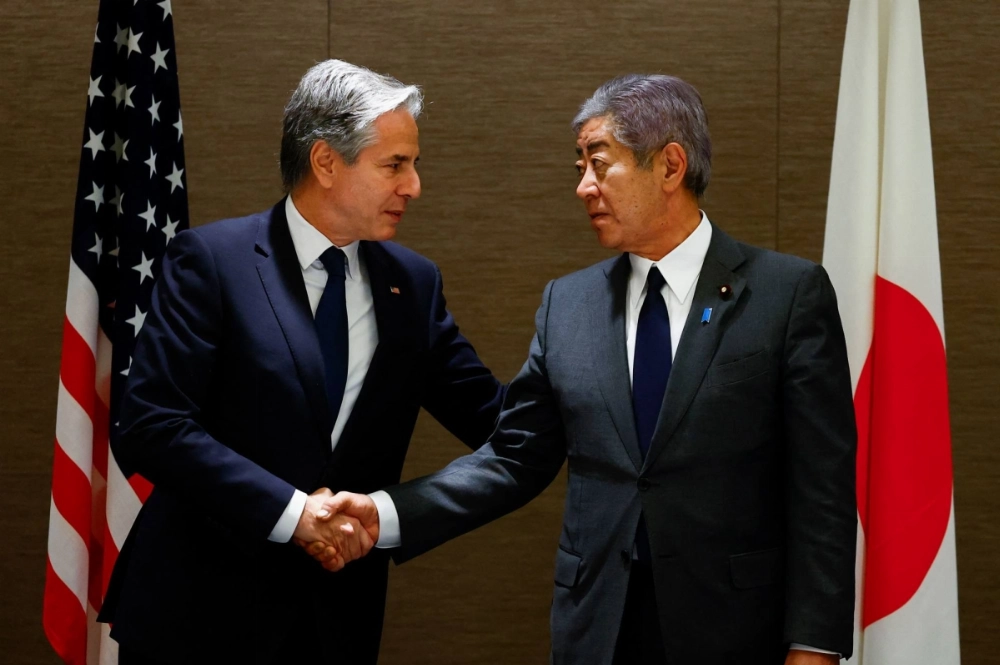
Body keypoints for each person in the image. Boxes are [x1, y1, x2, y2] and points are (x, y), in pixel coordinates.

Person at [313, 74, 857, 665]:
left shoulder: (787, 295)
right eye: (579, 166)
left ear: (670, 166)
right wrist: (385, 512)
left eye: (600, 164)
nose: (584, 187)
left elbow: (822, 490)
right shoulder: (566, 306)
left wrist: (814, 645)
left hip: (737, 630)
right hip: (598, 629)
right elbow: (514, 456)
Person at [96, 59, 505, 665]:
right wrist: (294, 514)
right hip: (198, 616)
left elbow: (496, 418)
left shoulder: (412, 287)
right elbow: (152, 426)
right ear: (325, 162)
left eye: (412, 164)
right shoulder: (212, 262)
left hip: (334, 624)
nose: (414, 185)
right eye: (395, 164)